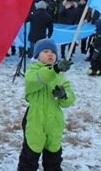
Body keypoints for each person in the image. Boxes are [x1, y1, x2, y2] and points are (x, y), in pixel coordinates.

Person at [18, 39, 76, 170]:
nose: (50, 54)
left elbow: (71, 98)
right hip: (36, 119)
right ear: (37, 56)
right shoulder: (32, 71)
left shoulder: (60, 76)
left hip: (54, 119)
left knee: (54, 155)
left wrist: (64, 95)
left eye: (53, 52)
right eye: (45, 51)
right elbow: (37, 79)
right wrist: (55, 69)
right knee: (30, 154)